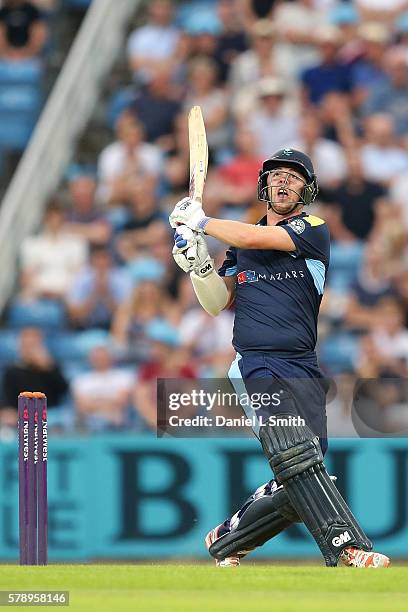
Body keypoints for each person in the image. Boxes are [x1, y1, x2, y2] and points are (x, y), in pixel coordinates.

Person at [169, 148, 390, 569]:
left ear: (307, 188)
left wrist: (200, 222)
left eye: (293, 176)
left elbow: (255, 237)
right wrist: (198, 266)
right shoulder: (239, 243)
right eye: (275, 175)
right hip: (256, 363)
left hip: (303, 364)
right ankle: (347, 547)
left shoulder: (313, 228)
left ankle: (227, 538)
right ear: (263, 186)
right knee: (295, 455)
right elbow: (217, 303)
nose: (283, 181)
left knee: (305, 469)